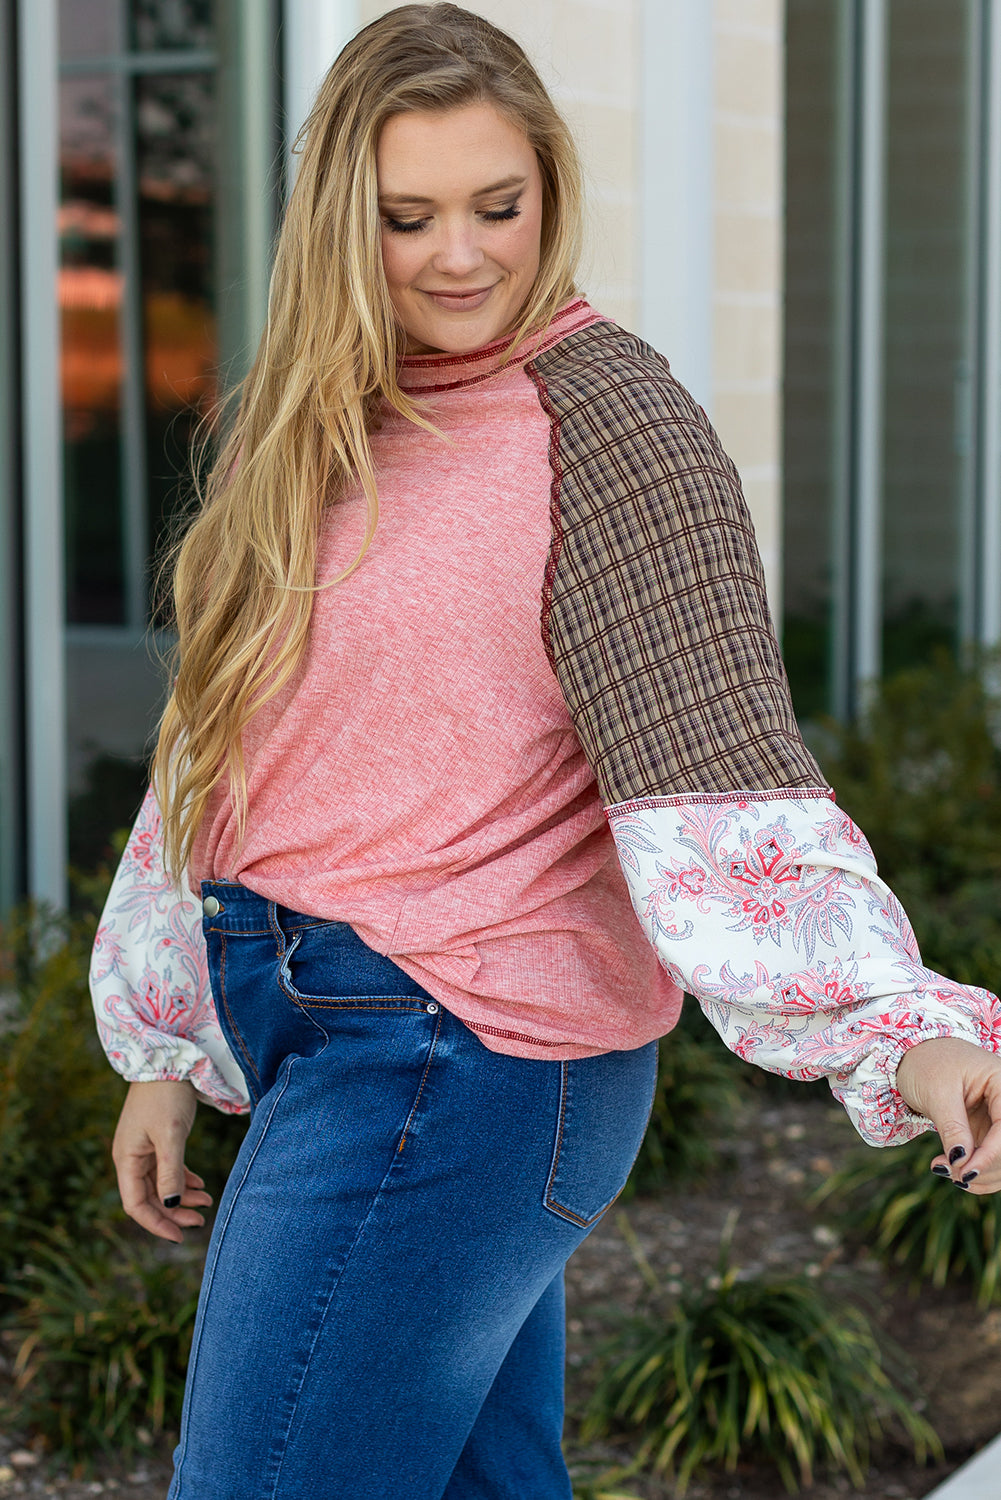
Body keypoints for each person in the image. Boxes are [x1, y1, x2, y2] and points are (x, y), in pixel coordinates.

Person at [90, 6, 1001, 1497]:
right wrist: (166, 1046)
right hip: (320, 1025)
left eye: (497, 206)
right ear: (339, 225)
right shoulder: (304, 424)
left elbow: (722, 778)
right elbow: (225, 750)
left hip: (462, 1056)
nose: (460, 256)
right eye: (408, 218)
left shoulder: (612, 425)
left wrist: (901, 1030)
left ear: (550, 193)